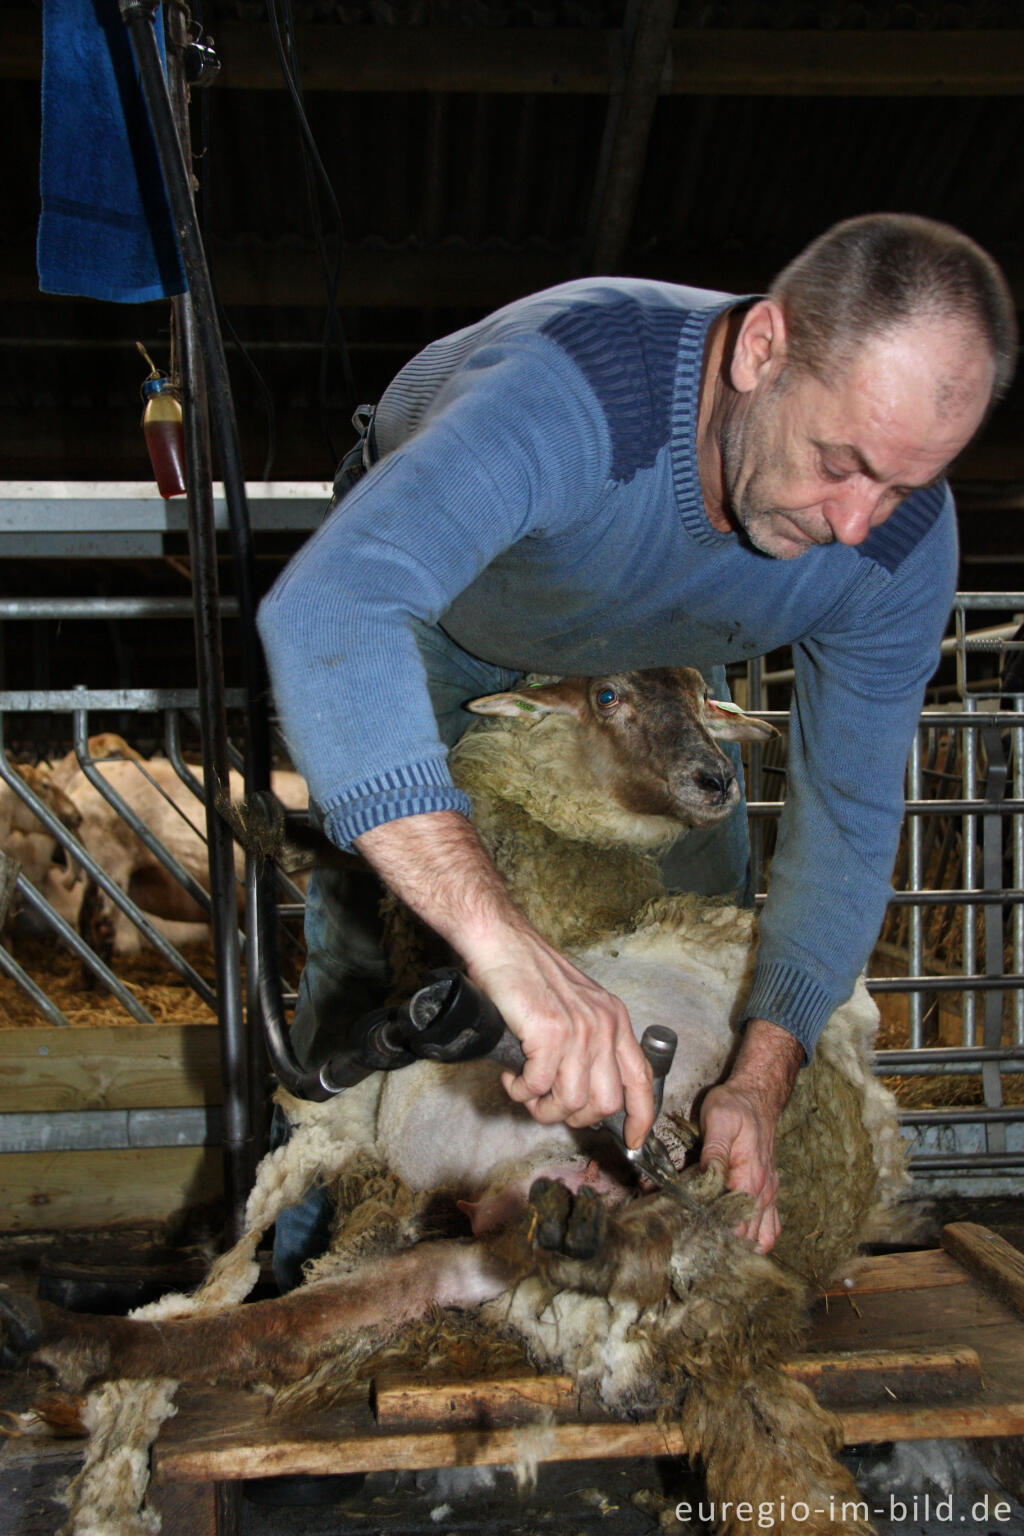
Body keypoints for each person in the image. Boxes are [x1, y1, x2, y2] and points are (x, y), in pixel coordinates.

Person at [258, 213, 1016, 1260]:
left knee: (699, 921)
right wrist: (505, 948)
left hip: (650, 687)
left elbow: (845, 815)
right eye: (840, 462)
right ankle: (294, 1253)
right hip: (451, 621)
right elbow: (332, 608)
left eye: (904, 481)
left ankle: (615, 1216)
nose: (855, 523)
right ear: (762, 351)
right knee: (382, 942)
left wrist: (760, 1073)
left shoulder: (893, 545)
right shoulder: (576, 394)